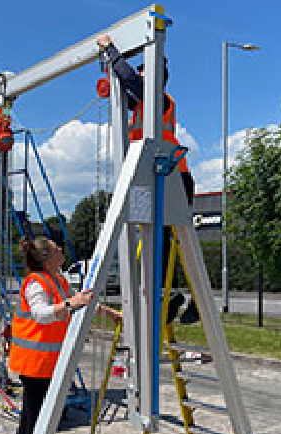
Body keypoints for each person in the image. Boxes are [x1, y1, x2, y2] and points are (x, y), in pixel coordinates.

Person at [97, 34, 200, 325]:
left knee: (175, 240)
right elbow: (127, 84)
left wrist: (111, 51)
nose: (138, 77)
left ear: (155, 78)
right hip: (150, 177)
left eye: (144, 73)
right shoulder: (145, 105)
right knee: (155, 240)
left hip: (174, 177)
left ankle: (192, 300)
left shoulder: (159, 99)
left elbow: (131, 80)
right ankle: (167, 297)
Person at [10, 236, 121, 434]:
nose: (61, 249)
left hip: (49, 362)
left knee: (39, 416)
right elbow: (41, 314)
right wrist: (71, 304)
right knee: (33, 417)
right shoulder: (36, 284)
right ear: (48, 260)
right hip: (34, 363)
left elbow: (80, 301)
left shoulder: (57, 279)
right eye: (55, 249)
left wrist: (110, 313)